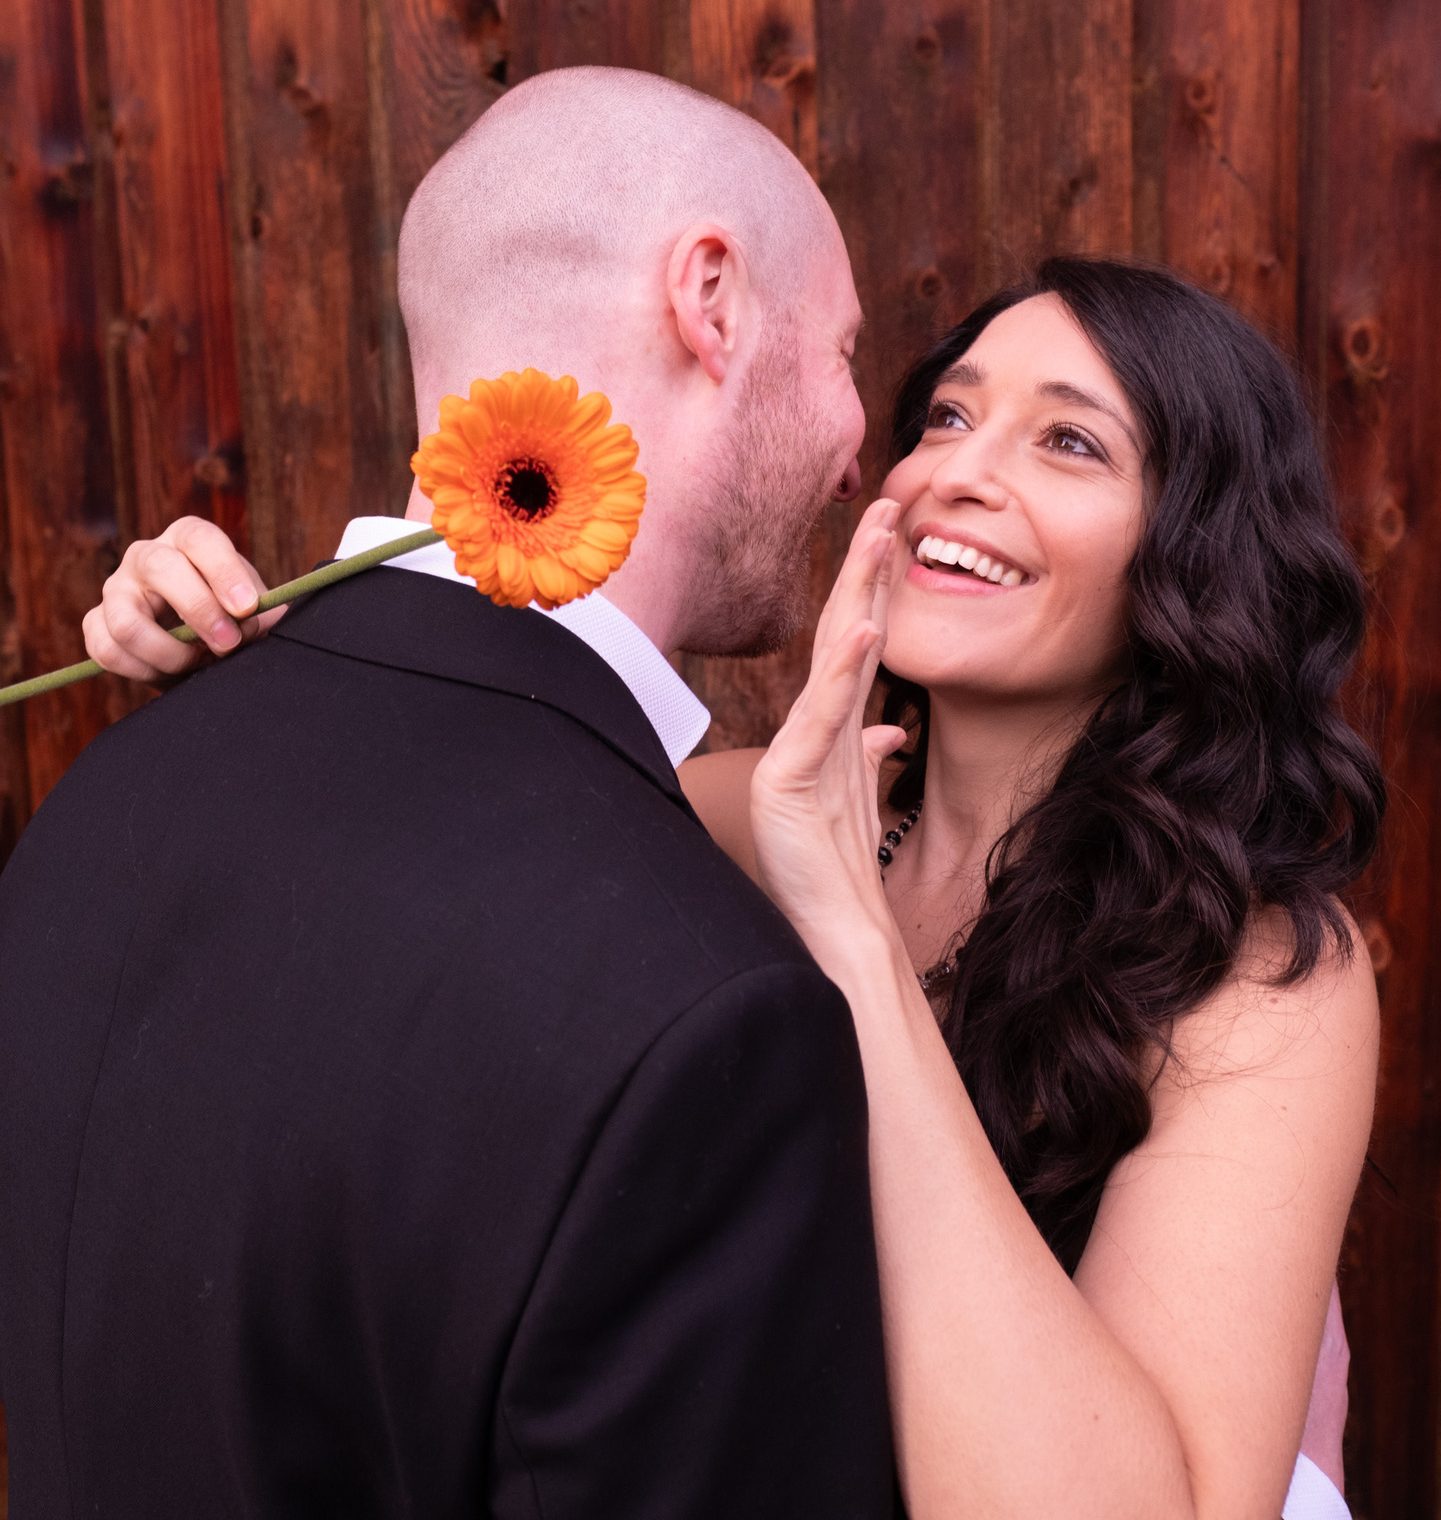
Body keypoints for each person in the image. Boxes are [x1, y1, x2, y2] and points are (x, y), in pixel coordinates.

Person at [83, 258, 1377, 1516]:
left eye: (1070, 443)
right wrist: (239, 658)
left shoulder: (1259, 978)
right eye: (948, 417)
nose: (956, 474)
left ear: (1197, 549)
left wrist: (855, 942)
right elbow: (396, 846)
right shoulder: (716, 815)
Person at [0, 68, 896, 1517]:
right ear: (711, 301)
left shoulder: (95, 814)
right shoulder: (706, 1010)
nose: (860, 451)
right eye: (846, 352)